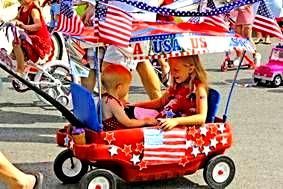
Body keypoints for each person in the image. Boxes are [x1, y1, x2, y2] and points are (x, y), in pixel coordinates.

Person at [133, 55, 208, 130]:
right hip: (160, 120)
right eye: (171, 70)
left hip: (178, 127)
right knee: (128, 112)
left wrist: (176, 121)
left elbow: (201, 117)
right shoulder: (176, 85)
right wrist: (135, 105)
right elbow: (161, 102)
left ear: (190, 69)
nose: (172, 73)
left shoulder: (199, 89)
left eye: (176, 70)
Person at [101, 64, 157, 131]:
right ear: (119, 88)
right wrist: (145, 121)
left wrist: (120, 103)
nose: (128, 89)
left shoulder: (104, 98)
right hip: (116, 133)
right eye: (128, 86)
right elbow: (128, 123)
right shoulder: (113, 103)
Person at [13, 0, 52, 76]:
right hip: (30, 37)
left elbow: (38, 25)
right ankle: (22, 64)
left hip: (39, 40)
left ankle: (20, 70)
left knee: (16, 42)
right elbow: (16, 19)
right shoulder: (22, 8)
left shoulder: (33, 10)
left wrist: (24, 26)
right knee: (13, 46)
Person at [233, 2, 256, 66]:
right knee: (238, 38)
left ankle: (255, 55)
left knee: (247, 37)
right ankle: (238, 57)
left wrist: (244, 6)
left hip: (247, 16)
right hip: (239, 16)